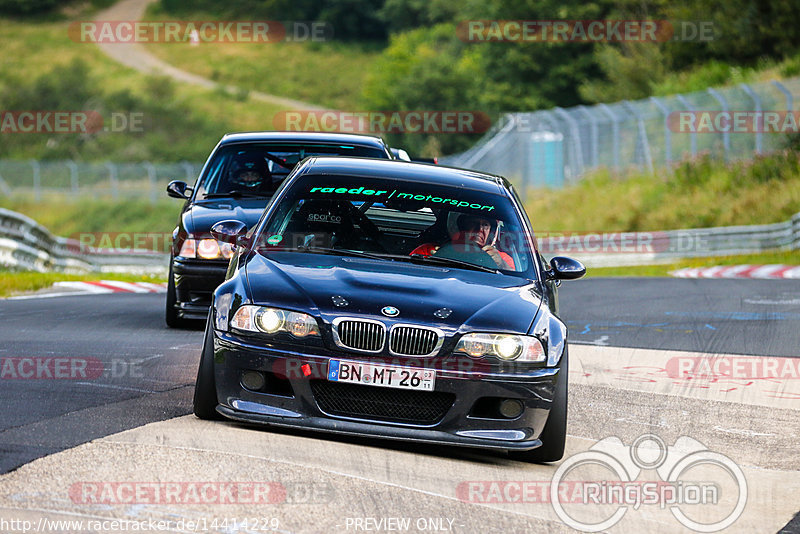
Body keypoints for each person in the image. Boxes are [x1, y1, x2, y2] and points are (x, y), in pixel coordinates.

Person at [410, 213, 514, 270]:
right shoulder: (428, 251)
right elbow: (408, 271)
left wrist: (502, 265)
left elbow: (517, 284)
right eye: (473, 223)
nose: (479, 230)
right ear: (461, 227)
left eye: (485, 225)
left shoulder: (502, 258)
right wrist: (432, 260)